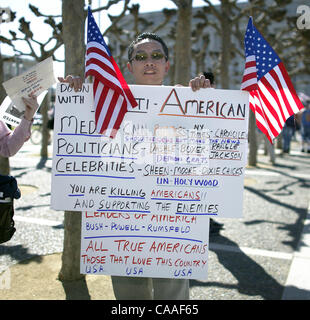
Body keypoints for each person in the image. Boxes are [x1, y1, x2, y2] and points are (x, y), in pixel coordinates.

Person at [61, 32, 211, 300]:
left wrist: (207, 98)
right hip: (120, 223)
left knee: (173, 298)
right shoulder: (103, 101)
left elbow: (210, 149)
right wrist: (76, 93)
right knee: (130, 298)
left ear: (167, 64)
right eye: (140, 57)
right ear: (129, 67)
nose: (149, 62)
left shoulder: (190, 100)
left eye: (156, 56)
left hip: (172, 224)